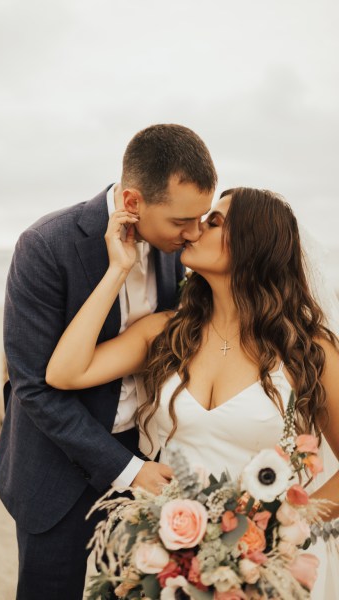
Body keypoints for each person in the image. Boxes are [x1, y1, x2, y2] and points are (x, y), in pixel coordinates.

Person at [46, 187, 339, 599]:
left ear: (254, 244)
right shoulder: (167, 331)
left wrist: (281, 530)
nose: (194, 230)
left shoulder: (308, 350)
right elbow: (65, 372)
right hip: (170, 557)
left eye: (214, 221)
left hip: (264, 569)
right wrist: (118, 270)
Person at [0, 123, 217, 600]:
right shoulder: (45, 246)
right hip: (56, 472)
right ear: (133, 203)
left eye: (202, 218)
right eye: (182, 221)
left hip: (149, 467)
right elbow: (33, 386)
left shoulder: (175, 252)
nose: (194, 233)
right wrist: (126, 468)